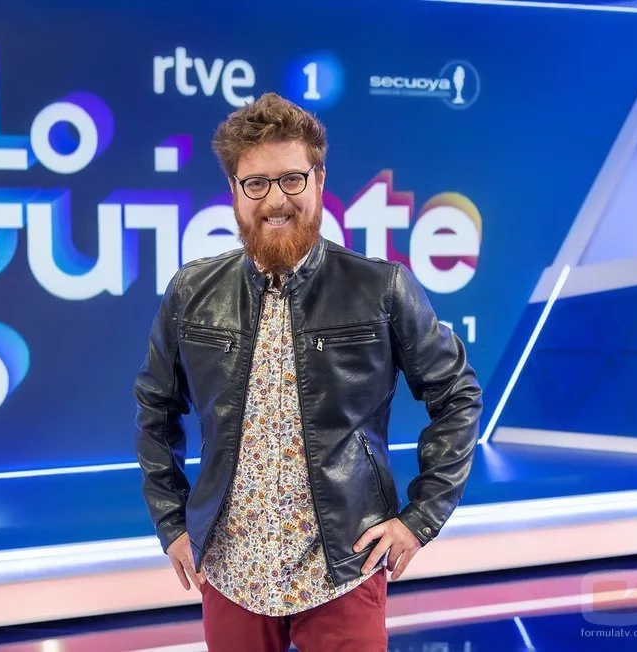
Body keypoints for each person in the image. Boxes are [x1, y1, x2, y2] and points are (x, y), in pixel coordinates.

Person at [134, 92, 482, 651]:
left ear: (319, 180)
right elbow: (155, 409)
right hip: (230, 571)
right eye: (256, 183)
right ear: (234, 191)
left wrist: (419, 520)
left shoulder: (381, 288)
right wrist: (171, 522)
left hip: (343, 568)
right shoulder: (190, 293)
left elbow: (457, 395)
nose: (276, 199)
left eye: (292, 179)